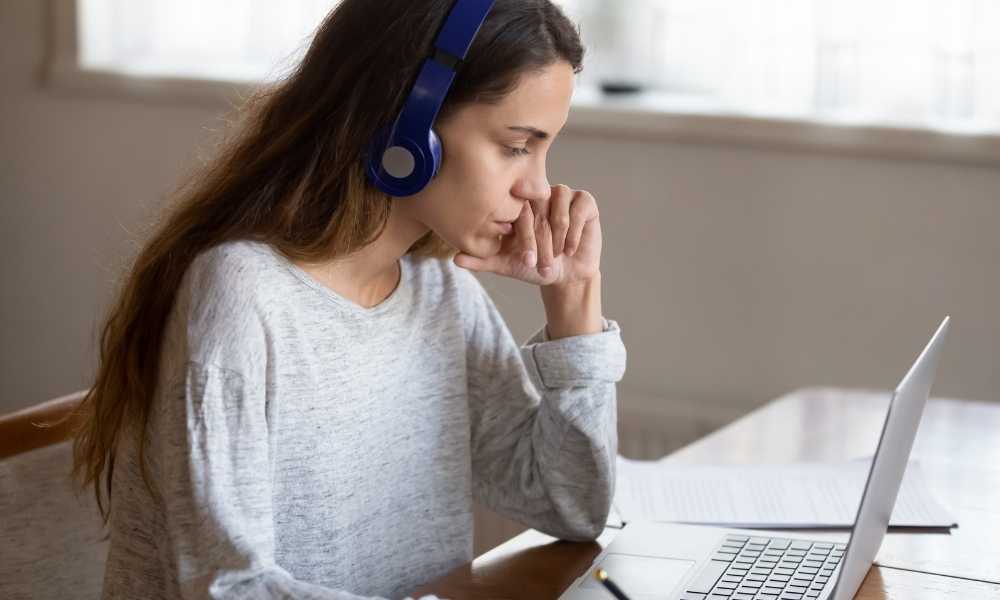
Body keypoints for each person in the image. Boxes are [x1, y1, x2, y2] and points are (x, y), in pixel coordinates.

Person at [68, 0, 627, 598]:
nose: (538, 187)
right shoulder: (241, 295)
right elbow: (229, 587)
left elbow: (570, 505)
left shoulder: (440, 296)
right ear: (409, 131)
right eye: (516, 146)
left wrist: (574, 299)